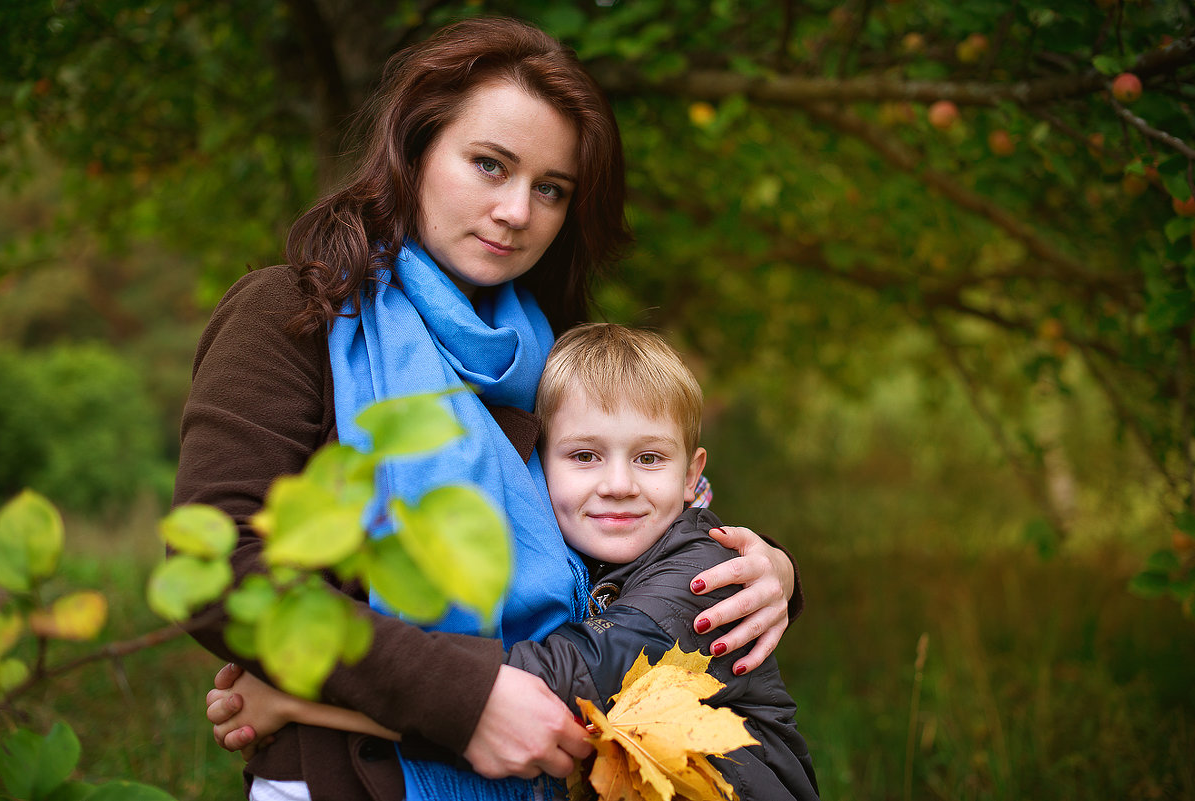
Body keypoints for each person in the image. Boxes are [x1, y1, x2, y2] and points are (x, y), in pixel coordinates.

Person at [177, 16, 800, 801]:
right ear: (416, 149)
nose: (516, 210)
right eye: (488, 164)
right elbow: (217, 570)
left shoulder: (550, 358)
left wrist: (769, 567)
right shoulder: (293, 317)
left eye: (550, 189)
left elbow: (637, 523)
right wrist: (461, 700)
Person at [207, 323, 820, 801]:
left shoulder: (704, 576)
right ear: (536, 466)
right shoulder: (581, 560)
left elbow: (538, 697)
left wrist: (300, 704)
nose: (618, 484)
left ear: (693, 475)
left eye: (650, 459)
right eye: (584, 456)